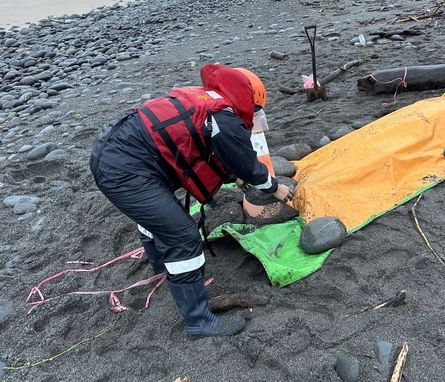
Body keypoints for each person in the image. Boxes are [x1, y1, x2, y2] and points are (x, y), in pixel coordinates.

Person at [89, 65, 293, 338]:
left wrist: (235, 176)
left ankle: (162, 266)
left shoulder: (208, 101)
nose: (257, 119)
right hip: (125, 170)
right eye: (258, 113)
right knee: (183, 235)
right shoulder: (227, 117)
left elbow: (204, 147)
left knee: (160, 216)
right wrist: (274, 188)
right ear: (250, 103)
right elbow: (247, 163)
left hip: (117, 150)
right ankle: (199, 321)